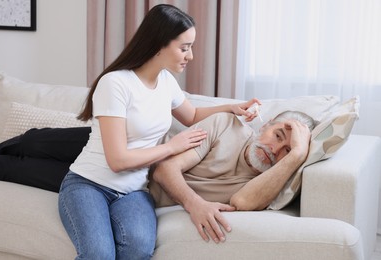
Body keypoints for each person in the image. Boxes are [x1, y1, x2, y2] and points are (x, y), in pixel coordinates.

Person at [54, 4, 259, 260]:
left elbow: (192, 116)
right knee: (99, 254)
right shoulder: (115, 83)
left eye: (191, 48)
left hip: (134, 191)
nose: (190, 56)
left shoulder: (166, 82)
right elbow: (117, 161)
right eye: (184, 48)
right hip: (88, 184)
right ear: (159, 44)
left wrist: (233, 107)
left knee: (138, 251)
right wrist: (172, 147)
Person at [149, 110, 316, 245]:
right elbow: (164, 170)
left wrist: (297, 155)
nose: (274, 150)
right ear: (265, 125)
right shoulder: (226, 126)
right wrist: (195, 204)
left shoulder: (271, 181)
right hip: (134, 184)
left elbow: (242, 202)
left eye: (287, 150)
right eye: (277, 136)